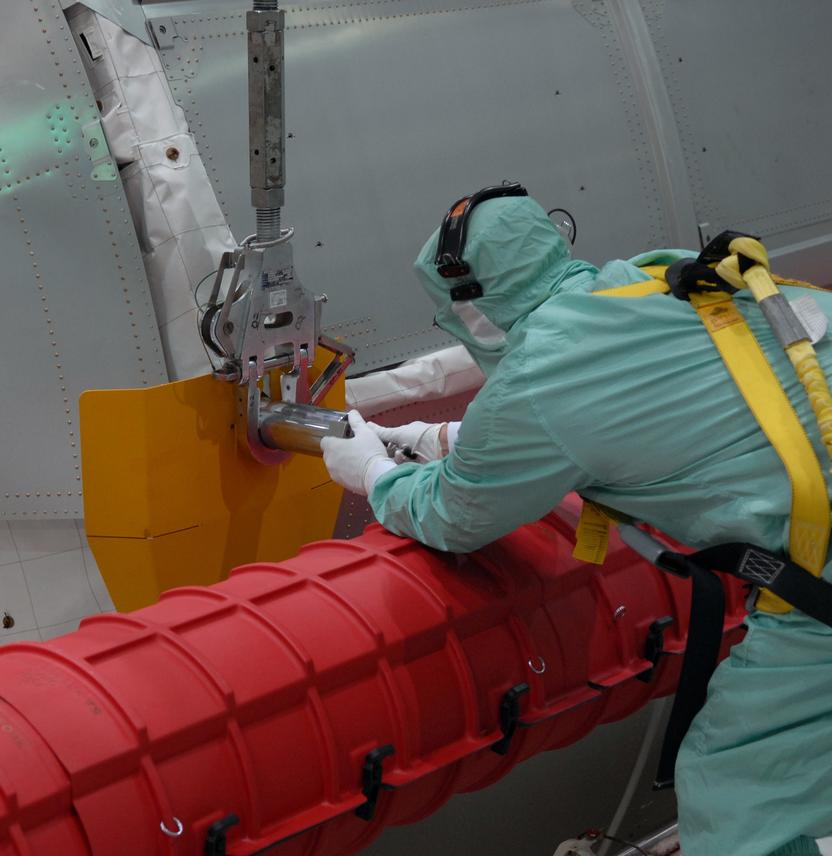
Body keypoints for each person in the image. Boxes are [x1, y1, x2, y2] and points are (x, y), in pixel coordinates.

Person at [320, 189, 832, 856]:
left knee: (737, 793)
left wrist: (371, 473)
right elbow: (651, 405)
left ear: (470, 305)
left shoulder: (541, 377)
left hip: (819, 602)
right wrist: (440, 437)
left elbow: (457, 513)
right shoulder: (657, 275)